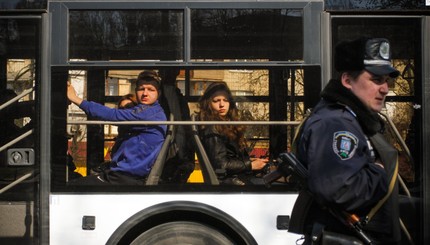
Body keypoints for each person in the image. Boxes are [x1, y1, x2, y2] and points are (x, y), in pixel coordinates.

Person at [293, 37, 401, 244]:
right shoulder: (336, 123)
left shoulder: (349, 119)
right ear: (347, 81)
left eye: (387, 80)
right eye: (376, 80)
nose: (385, 89)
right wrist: (379, 169)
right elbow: (341, 190)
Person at [67, 70, 167, 185]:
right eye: (141, 89)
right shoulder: (151, 113)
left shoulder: (149, 113)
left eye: (151, 89)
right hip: (123, 174)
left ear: (158, 93)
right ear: (136, 91)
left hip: (125, 177)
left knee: (72, 187)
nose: (145, 93)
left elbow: (112, 115)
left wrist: (75, 99)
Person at [197, 82, 268, 185]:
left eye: (225, 100)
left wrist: (251, 161)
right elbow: (221, 165)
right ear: (208, 103)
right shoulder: (212, 127)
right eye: (216, 101)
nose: (222, 105)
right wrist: (251, 165)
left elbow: (228, 155)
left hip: (235, 177)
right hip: (230, 181)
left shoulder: (225, 124)